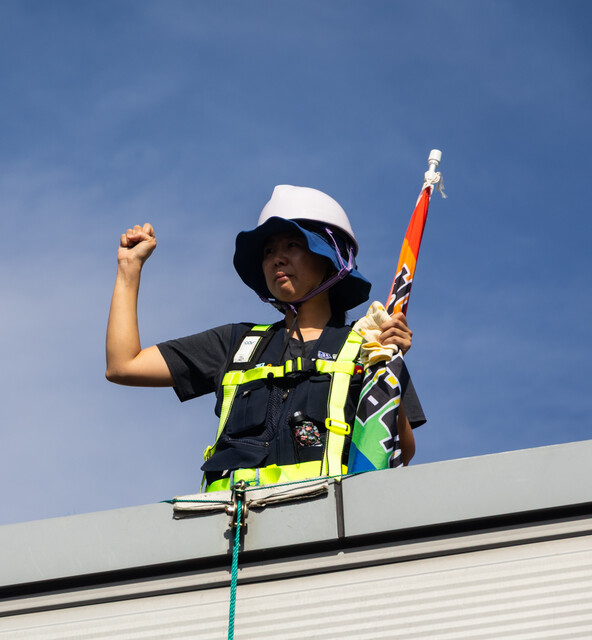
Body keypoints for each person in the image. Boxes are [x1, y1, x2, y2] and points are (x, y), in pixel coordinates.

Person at [106, 185, 425, 491]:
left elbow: (401, 452)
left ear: (330, 259)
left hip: (326, 526)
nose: (277, 258)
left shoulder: (370, 345)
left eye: (293, 245)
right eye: (269, 250)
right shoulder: (236, 344)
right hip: (233, 530)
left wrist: (386, 367)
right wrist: (128, 268)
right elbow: (124, 365)